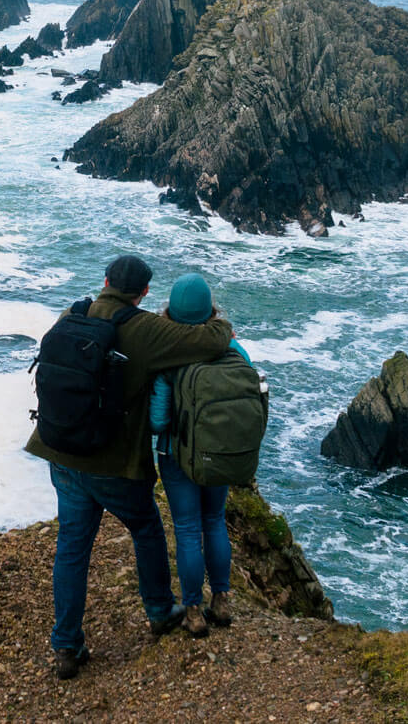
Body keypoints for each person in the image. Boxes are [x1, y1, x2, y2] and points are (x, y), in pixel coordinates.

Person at [25, 254, 237, 680]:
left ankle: (67, 646)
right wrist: (218, 319)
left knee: (72, 547)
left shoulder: (74, 312)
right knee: (146, 529)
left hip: (62, 454)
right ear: (143, 293)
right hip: (112, 465)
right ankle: (160, 611)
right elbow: (212, 340)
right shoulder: (143, 330)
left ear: (104, 281)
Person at [149, 272, 248, 638]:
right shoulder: (233, 349)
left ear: (170, 313)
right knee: (215, 520)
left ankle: (193, 610)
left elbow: (158, 420)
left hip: (178, 457)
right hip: (219, 453)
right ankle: (221, 600)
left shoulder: (167, 357)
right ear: (211, 311)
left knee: (188, 529)